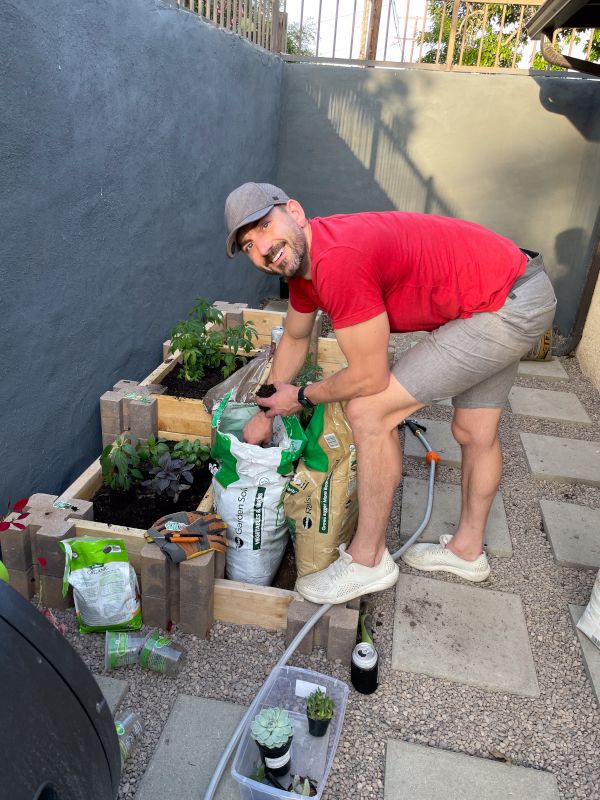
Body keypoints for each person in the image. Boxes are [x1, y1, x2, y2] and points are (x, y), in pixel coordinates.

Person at [223, 182, 557, 605]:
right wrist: (265, 411)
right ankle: (468, 551)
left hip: (509, 304)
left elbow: (369, 377)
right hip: (508, 284)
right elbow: (293, 336)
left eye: (266, 226)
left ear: (296, 211)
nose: (264, 248)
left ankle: (368, 560)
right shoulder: (304, 265)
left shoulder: (337, 260)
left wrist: (304, 395)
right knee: (474, 431)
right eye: (250, 244)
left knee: (368, 411)